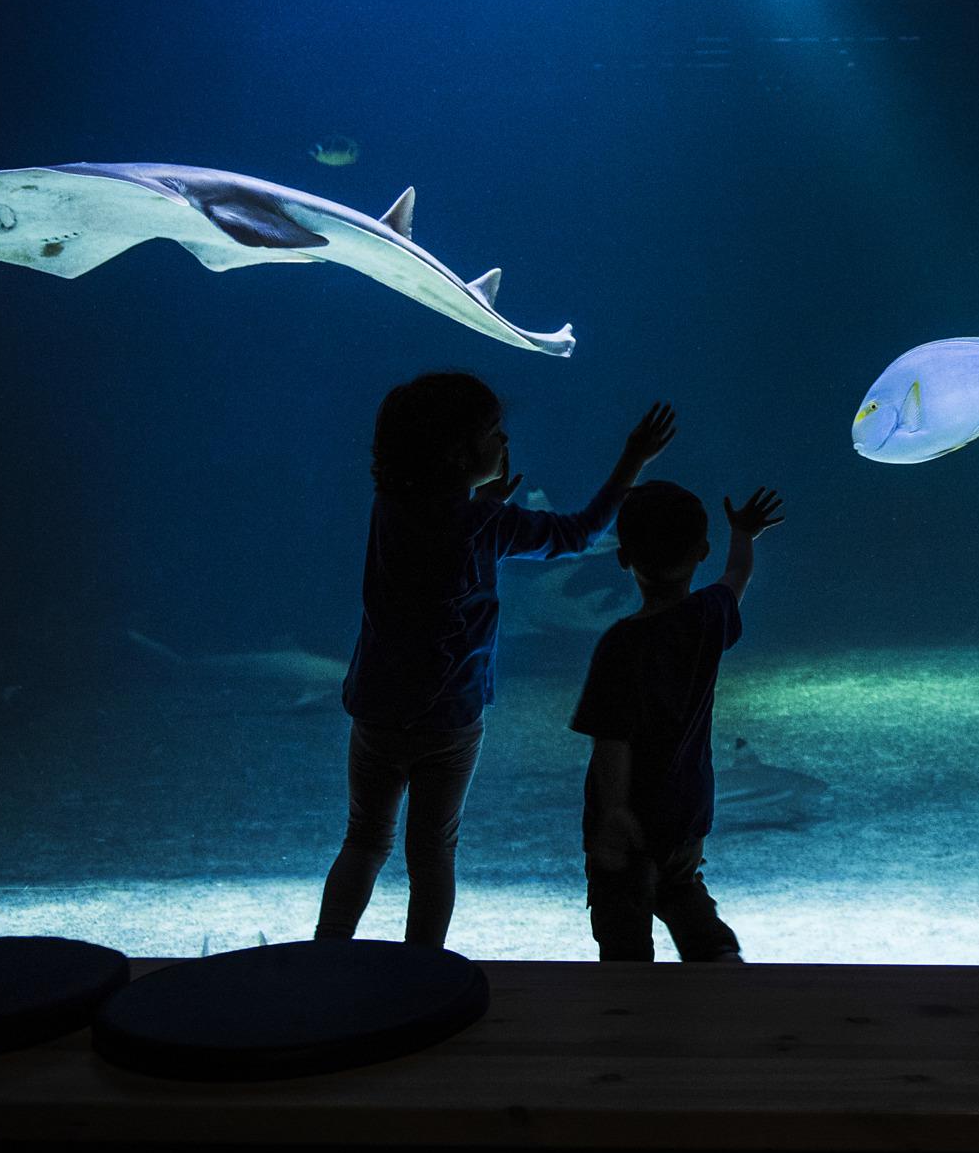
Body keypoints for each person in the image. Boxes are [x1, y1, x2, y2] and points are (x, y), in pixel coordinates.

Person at [317, 372, 676, 947]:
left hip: (377, 709)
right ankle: (423, 972)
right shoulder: (488, 524)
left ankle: (327, 951)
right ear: (458, 453)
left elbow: (441, 530)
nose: (505, 441)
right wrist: (633, 458)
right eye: (494, 432)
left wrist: (481, 503)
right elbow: (580, 533)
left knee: (363, 839)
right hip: (449, 720)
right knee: (433, 853)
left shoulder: (389, 506)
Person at [569, 480, 785, 962]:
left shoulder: (620, 645)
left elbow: (612, 741)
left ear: (623, 558)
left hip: (630, 816)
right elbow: (737, 576)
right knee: (680, 887)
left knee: (621, 913)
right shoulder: (709, 616)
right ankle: (717, 954)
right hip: (687, 810)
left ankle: (629, 990)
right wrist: (743, 534)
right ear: (701, 551)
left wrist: (614, 810)